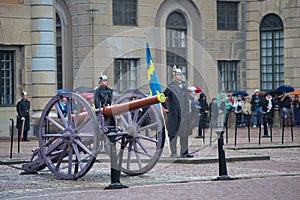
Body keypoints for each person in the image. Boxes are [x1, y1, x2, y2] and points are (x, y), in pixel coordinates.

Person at [163, 67, 193, 158]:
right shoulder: (171, 86)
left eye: (181, 74)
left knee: (185, 134)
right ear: (174, 76)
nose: (180, 76)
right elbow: (163, 97)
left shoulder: (184, 85)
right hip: (175, 114)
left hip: (184, 114)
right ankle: (174, 152)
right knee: (174, 134)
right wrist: (166, 108)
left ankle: (184, 152)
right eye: (178, 74)